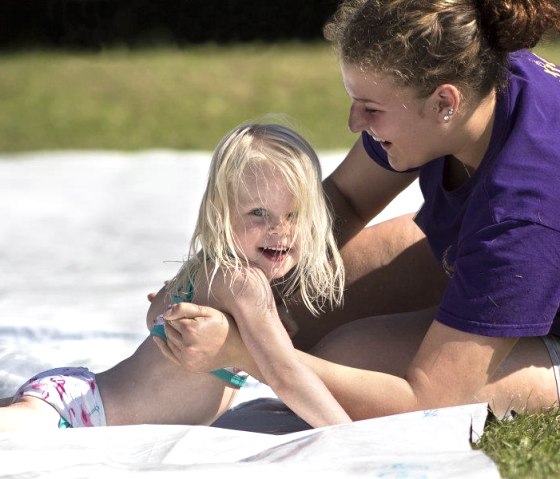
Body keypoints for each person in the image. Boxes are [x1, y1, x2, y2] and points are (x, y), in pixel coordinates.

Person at [153, 0, 560, 421]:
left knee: (347, 358)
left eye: (372, 108)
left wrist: (250, 354)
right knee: (285, 307)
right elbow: (346, 198)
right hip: (490, 251)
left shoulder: (524, 212)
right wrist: (213, 271)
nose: (353, 121)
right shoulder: (472, 70)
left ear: (445, 104)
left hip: (534, 271)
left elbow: (426, 400)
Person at [0, 122, 351, 430]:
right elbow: (285, 375)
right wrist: (347, 434)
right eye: (258, 213)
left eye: (294, 214)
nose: (279, 230)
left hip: (83, 393)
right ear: (222, 214)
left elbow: (156, 313)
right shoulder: (244, 283)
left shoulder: (206, 266)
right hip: (84, 413)